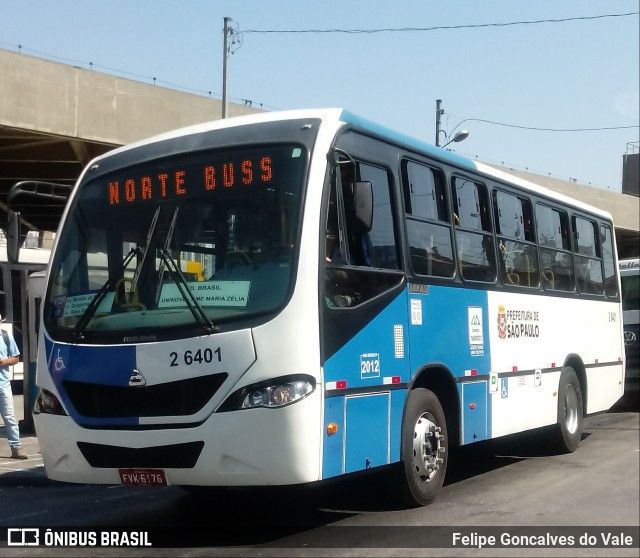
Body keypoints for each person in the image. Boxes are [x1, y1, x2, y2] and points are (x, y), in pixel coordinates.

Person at [0, 315, 27, 459]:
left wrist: (4, 362)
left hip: (3, 384)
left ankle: (16, 448)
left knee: (9, 417)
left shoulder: (5, 336)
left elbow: (16, 358)